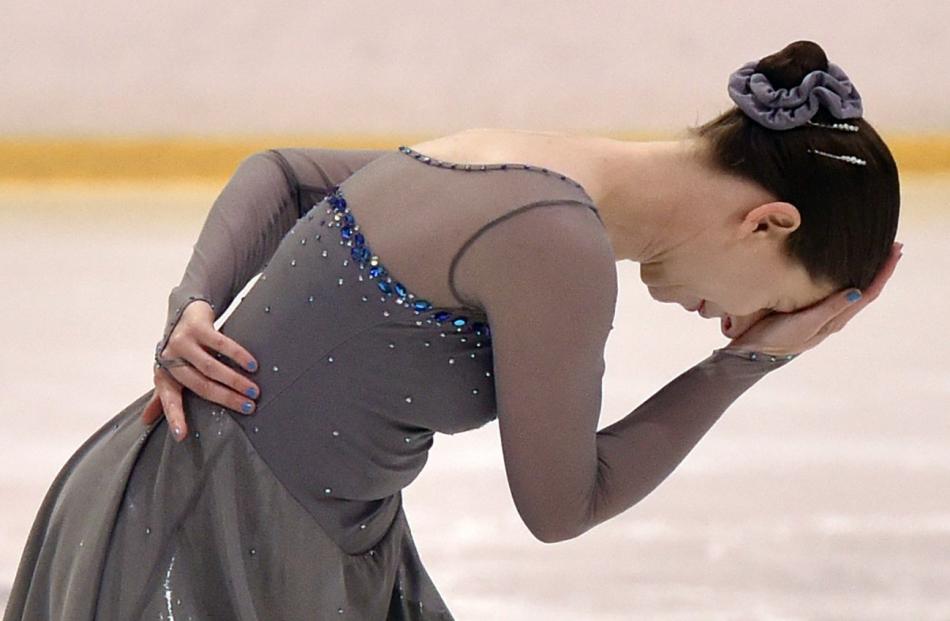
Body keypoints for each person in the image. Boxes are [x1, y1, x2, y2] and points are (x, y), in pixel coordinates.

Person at [4, 39, 902, 620]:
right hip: (213, 540)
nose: (744, 318)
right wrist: (745, 361)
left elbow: (280, 174)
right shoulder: (555, 237)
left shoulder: (519, 157)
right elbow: (561, 506)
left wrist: (194, 299)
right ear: (769, 224)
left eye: (764, 322)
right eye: (779, 298)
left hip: (269, 521)